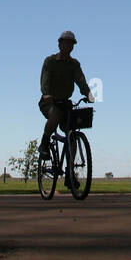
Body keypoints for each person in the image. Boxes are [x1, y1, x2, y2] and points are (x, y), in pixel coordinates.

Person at [38, 31, 94, 179]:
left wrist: (88, 93)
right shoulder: (50, 61)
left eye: (71, 44)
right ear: (59, 44)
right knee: (55, 115)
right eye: (66, 43)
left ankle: (70, 172)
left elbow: (80, 80)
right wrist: (46, 94)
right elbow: (45, 80)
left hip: (65, 103)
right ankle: (44, 144)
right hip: (48, 101)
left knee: (72, 134)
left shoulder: (73, 64)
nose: (68, 46)